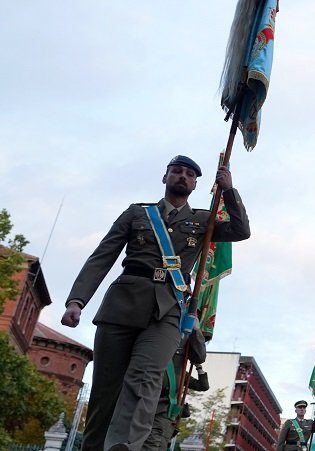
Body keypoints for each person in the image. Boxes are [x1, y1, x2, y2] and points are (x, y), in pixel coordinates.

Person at [62, 155, 250, 451]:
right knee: (105, 392)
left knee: (145, 377)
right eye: (177, 171)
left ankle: (124, 446)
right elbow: (102, 256)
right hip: (121, 305)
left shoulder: (203, 220)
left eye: (189, 174)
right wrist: (77, 300)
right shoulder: (137, 213)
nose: (182, 177)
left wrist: (228, 189)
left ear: (196, 183)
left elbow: (241, 231)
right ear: (165, 178)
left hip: (167, 310)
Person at [143, 326, 209, 451]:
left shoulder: (181, 373)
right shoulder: (158, 362)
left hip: (168, 419)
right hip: (154, 413)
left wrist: (198, 367)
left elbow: (203, 386)